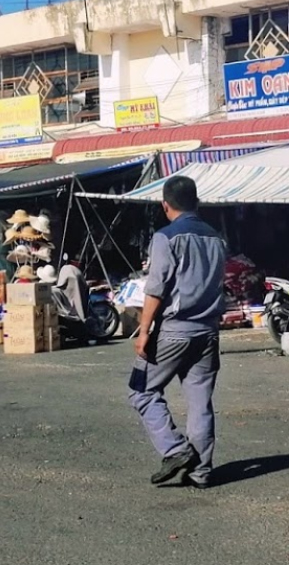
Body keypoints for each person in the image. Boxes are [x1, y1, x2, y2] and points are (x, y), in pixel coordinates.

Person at [128, 175, 226, 489]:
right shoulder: (216, 237)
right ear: (197, 202)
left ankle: (175, 450)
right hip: (208, 332)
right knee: (200, 401)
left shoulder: (166, 237)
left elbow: (155, 289)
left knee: (141, 391)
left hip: (174, 331)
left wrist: (143, 331)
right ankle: (201, 471)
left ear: (165, 206)